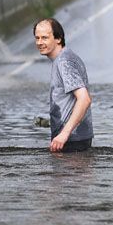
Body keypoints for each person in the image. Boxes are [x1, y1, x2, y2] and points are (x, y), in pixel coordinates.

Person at [34, 18, 93, 152]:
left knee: (67, 173)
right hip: (75, 138)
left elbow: (84, 99)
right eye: (37, 38)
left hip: (71, 141)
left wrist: (64, 134)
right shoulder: (68, 57)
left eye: (44, 38)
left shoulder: (64, 62)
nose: (39, 42)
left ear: (58, 38)